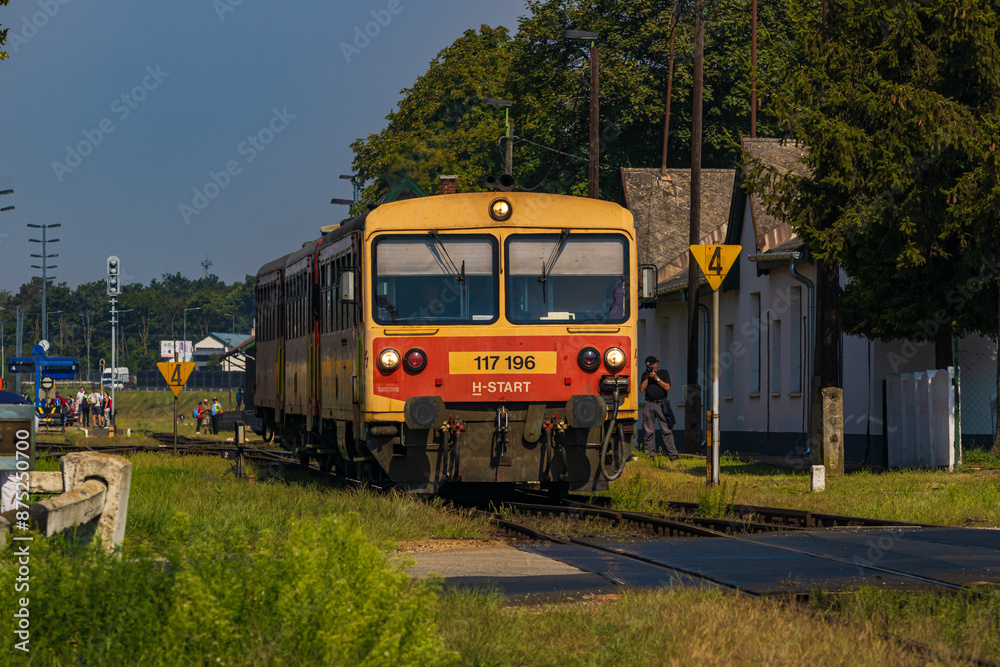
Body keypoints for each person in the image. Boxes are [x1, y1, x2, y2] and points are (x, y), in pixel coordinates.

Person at [638, 355, 679, 461]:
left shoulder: (664, 373)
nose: (650, 368)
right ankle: (649, 455)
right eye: (648, 366)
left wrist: (656, 378)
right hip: (648, 403)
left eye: (651, 365)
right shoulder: (645, 375)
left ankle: (673, 456)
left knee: (666, 431)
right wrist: (647, 378)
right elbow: (641, 389)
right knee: (648, 431)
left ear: (656, 364)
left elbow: (667, 387)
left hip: (661, 404)